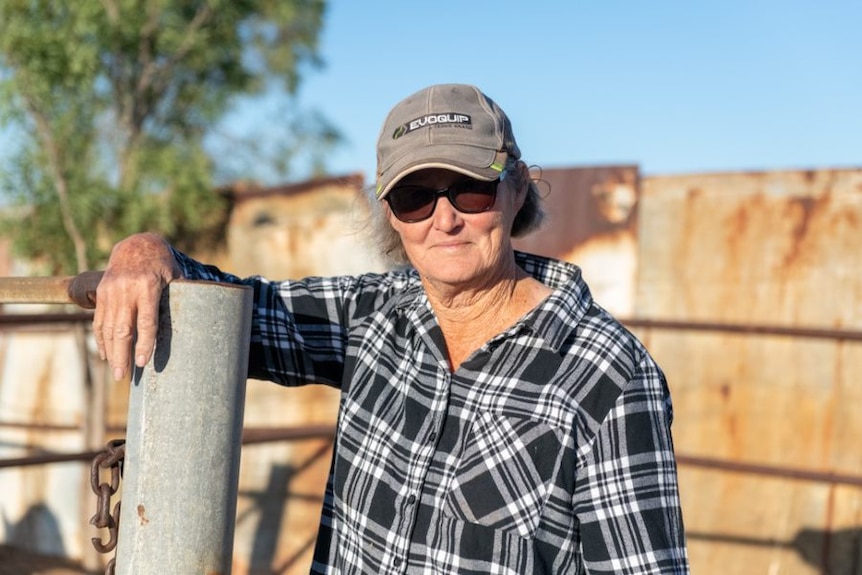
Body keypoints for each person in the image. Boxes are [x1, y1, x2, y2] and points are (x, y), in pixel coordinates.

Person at [93, 83, 690, 574]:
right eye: (415, 197)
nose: (446, 219)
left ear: (515, 190)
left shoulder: (608, 374)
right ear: (390, 215)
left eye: (471, 189)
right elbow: (225, 309)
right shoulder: (372, 315)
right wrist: (141, 252)